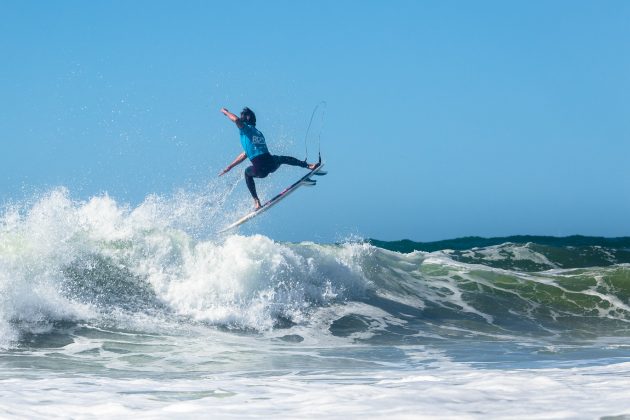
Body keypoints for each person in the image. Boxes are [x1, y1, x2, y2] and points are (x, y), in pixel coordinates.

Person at [219, 107, 319, 210]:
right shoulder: (258, 133)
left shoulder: (245, 129)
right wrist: (230, 166)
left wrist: (226, 112)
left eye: (242, 116)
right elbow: (245, 154)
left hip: (259, 170)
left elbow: (236, 120)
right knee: (282, 158)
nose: (240, 118)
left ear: (247, 118)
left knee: (247, 173)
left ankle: (256, 201)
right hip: (271, 165)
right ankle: (309, 165)